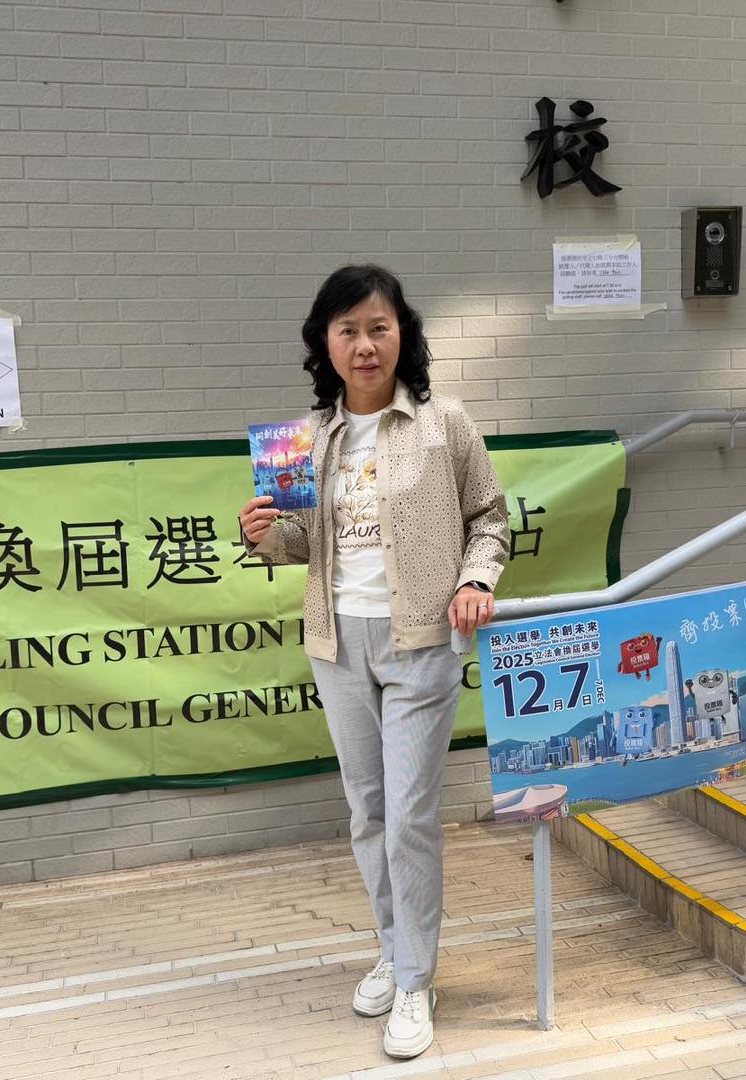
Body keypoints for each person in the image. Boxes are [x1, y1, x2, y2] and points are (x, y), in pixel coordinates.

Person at [239, 265, 509, 1059]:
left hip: (419, 641)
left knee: (411, 814)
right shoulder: (308, 439)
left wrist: (475, 579)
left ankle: (417, 981)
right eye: (348, 330)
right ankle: (393, 948)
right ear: (325, 343)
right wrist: (264, 536)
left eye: (379, 328)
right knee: (368, 812)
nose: (365, 344)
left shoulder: (443, 424)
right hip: (336, 642)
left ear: (403, 335)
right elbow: (303, 542)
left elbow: (489, 518)